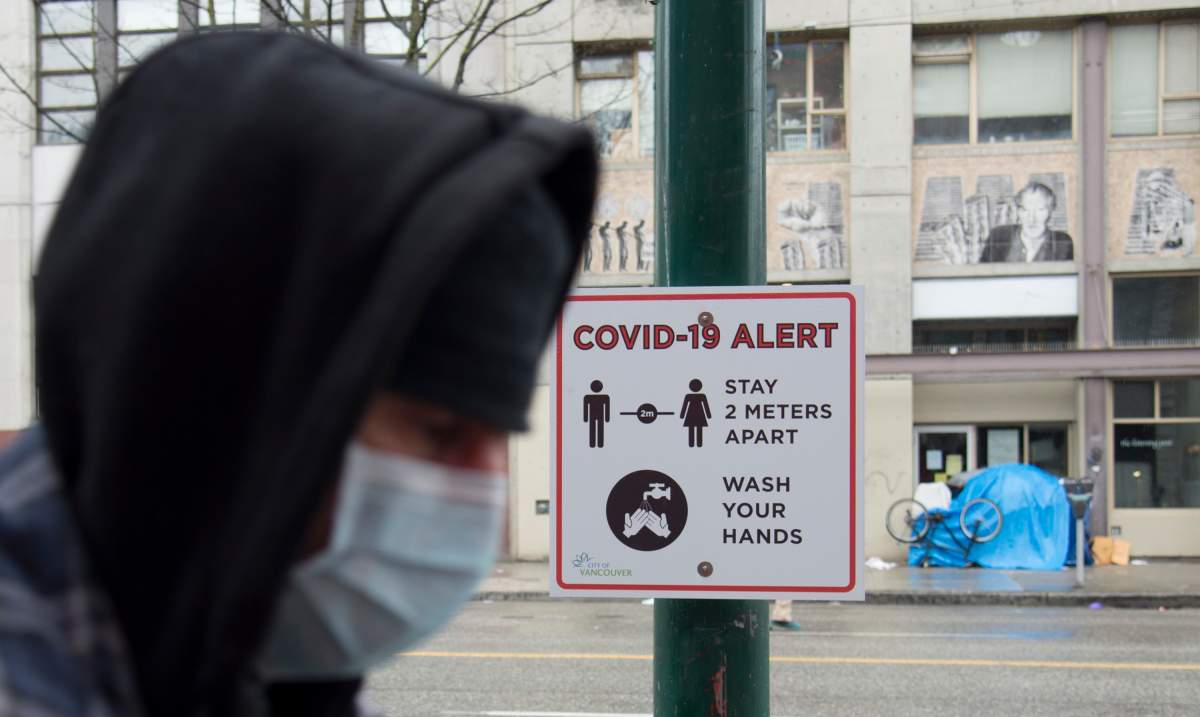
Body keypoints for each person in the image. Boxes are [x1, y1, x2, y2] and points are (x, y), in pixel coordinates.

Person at [0, 32, 596, 717]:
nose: (486, 499)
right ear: (226, 403)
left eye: (502, 435)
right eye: (439, 430)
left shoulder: (259, 666)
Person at [978, 182, 1074, 262]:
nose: (1031, 219)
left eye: (1040, 210)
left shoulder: (1061, 243)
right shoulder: (998, 237)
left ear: (1051, 211)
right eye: (1025, 210)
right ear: (1018, 212)